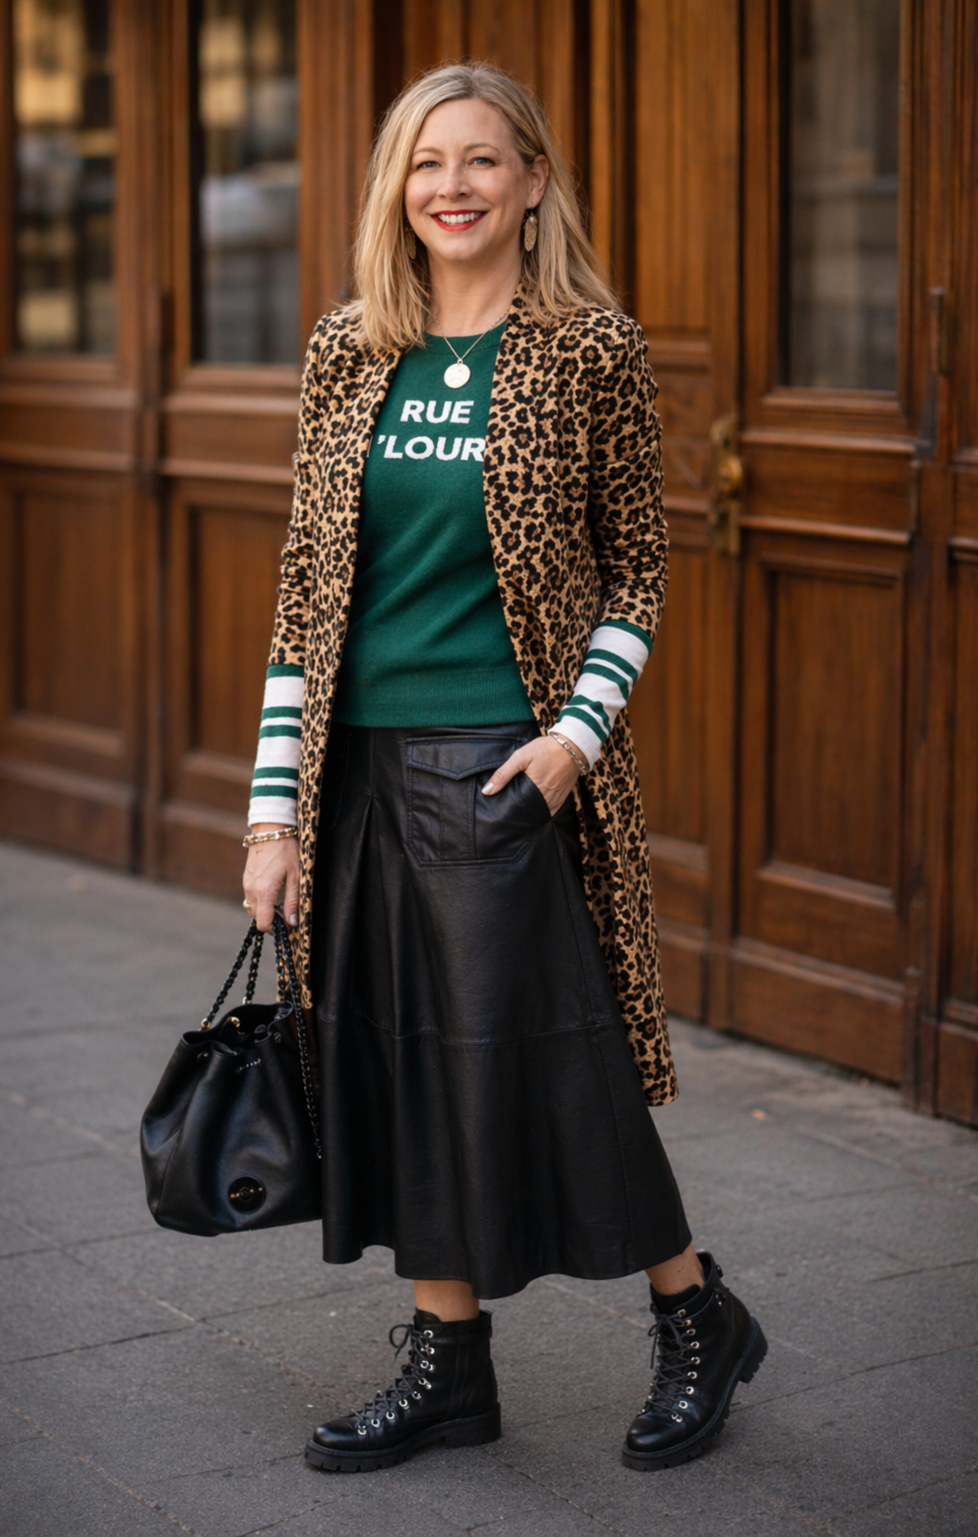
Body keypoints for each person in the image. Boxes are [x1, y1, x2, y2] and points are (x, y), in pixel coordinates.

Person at [242, 60, 766, 1474]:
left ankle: (695, 1314)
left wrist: (571, 741)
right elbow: (305, 589)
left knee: (556, 1061)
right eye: (426, 163)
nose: (452, 187)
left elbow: (638, 571)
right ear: (395, 189)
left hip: (500, 763)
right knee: (393, 1059)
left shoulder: (587, 348)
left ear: (533, 181)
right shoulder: (348, 348)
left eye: (480, 160)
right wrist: (273, 812)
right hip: (353, 767)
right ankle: (449, 1361)